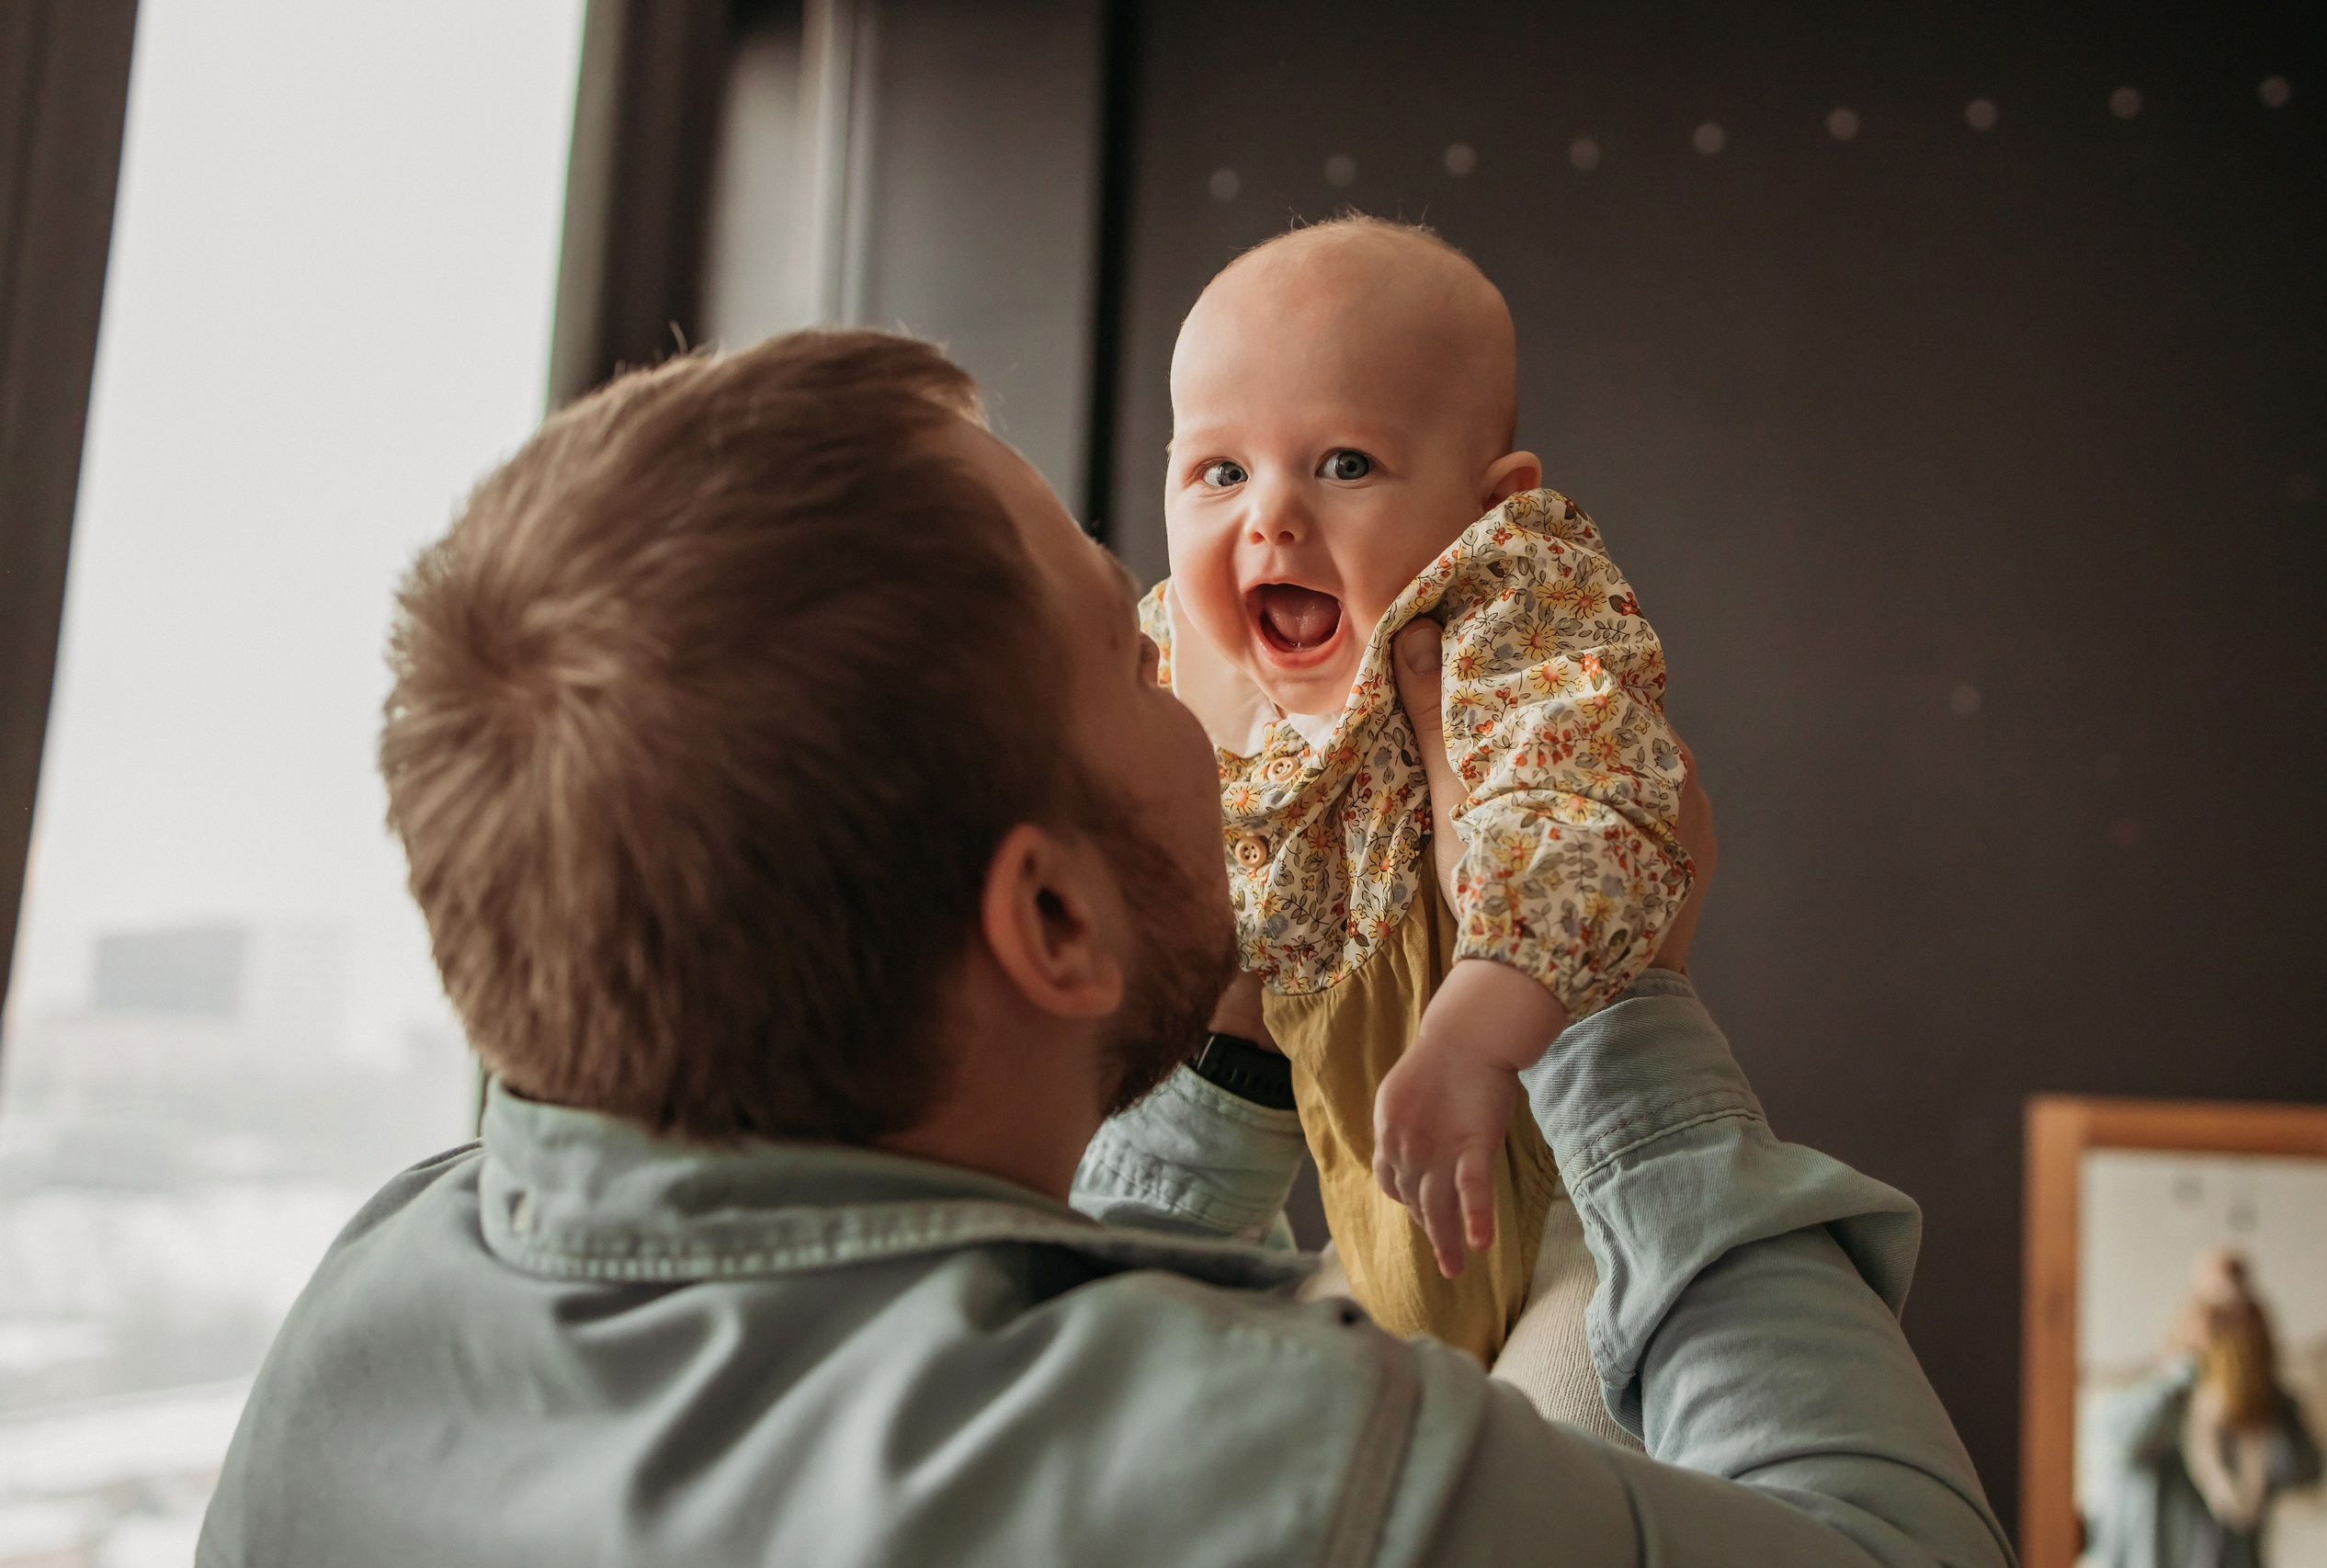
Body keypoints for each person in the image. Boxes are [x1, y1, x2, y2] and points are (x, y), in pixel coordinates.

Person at [197, 330, 2009, 1566]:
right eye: (1130, 652)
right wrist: (1612, 991)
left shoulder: (379, 1301)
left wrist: (1218, 1033)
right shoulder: (1269, 1468)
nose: (1194, 648)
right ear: (1050, 920)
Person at [1151, 213, 1686, 1381]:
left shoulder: (1505, 614)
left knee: (1566, 1436)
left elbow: (1580, 812)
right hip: (1373, 1210)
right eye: (1219, 470)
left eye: (1344, 463)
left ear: (1493, 503)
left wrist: (1474, 1034)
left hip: (1556, 1191)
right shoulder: (1181, 658)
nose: (1271, 515)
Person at [2087, 1250, 2324, 1568]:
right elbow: (2121, 1441)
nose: (2224, 1324)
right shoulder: (2156, 1395)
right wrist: (2186, 1364)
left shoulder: (2257, 1415)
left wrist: (2261, 1373)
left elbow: (2306, 1470)